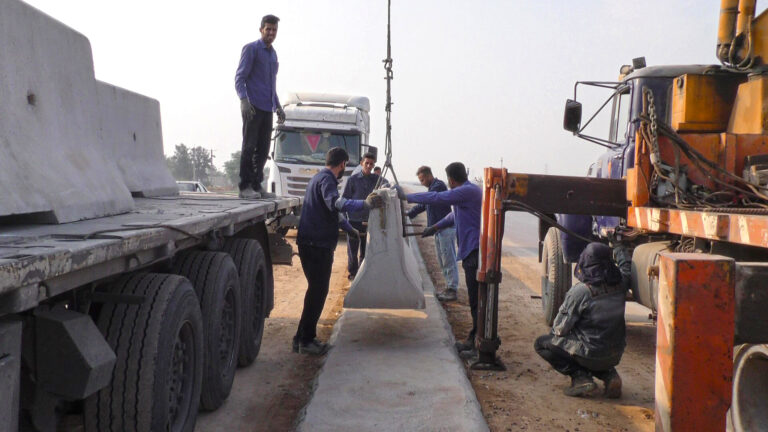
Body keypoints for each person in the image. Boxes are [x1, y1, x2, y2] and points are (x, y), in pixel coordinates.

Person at [294, 148, 384, 355]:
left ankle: (300, 337)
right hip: (317, 244)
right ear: (343, 164)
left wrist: (349, 229)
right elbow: (335, 204)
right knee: (318, 292)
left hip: (311, 242)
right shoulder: (327, 180)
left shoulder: (318, 178)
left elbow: (332, 212)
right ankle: (307, 340)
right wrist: (365, 203)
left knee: (314, 291)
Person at [396, 162, 481, 358]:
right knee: (476, 300)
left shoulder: (466, 191)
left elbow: (436, 198)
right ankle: (473, 338)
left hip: (475, 250)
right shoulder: (467, 193)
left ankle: (477, 344)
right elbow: (453, 215)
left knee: (477, 301)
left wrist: (406, 196)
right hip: (471, 250)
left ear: (451, 180)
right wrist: (434, 227)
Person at [533, 242, 626, 398]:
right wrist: (620, 248)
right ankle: (610, 375)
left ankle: (580, 378)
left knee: (542, 343)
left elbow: (559, 328)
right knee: (598, 346)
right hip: (615, 354)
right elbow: (626, 267)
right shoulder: (622, 284)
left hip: (589, 355)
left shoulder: (581, 291)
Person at [234, 14, 286, 199]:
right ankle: (245, 186)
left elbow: (271, 85)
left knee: (263, 150)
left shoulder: (273, 54)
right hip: (252, 106)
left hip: (267, 107)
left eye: (274, 30)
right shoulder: (251, 49)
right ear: (261, 30)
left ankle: (257, 185)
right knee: (249, 147)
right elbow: (240, 78)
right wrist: (244, 100)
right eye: (268, 29)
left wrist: (278, 106)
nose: (271, 33)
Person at [405, 166, 459, 301]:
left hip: (445, 229)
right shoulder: (431, 189)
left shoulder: (438, 186)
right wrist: (408, 214)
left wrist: (408, 198)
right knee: (442, 261)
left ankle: (452, 289)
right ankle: (449, 287)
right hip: (438, 230)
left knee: (448, 260)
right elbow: (423, 205)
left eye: (422, 179)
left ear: (429, 176)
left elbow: (427, 199)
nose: (422, 183)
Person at [341, 152, 381, 280]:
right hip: (354, 220)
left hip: (370, 220)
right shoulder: (352, 180)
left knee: (366, 249)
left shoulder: (376, 179)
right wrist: (343, 219)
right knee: (352, 249)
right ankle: (353, 273)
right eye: (367, 163)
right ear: (361, 163)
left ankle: (363, 274)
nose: (369, 166)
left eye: (371, 164)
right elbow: (344, 199)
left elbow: (387, 186)